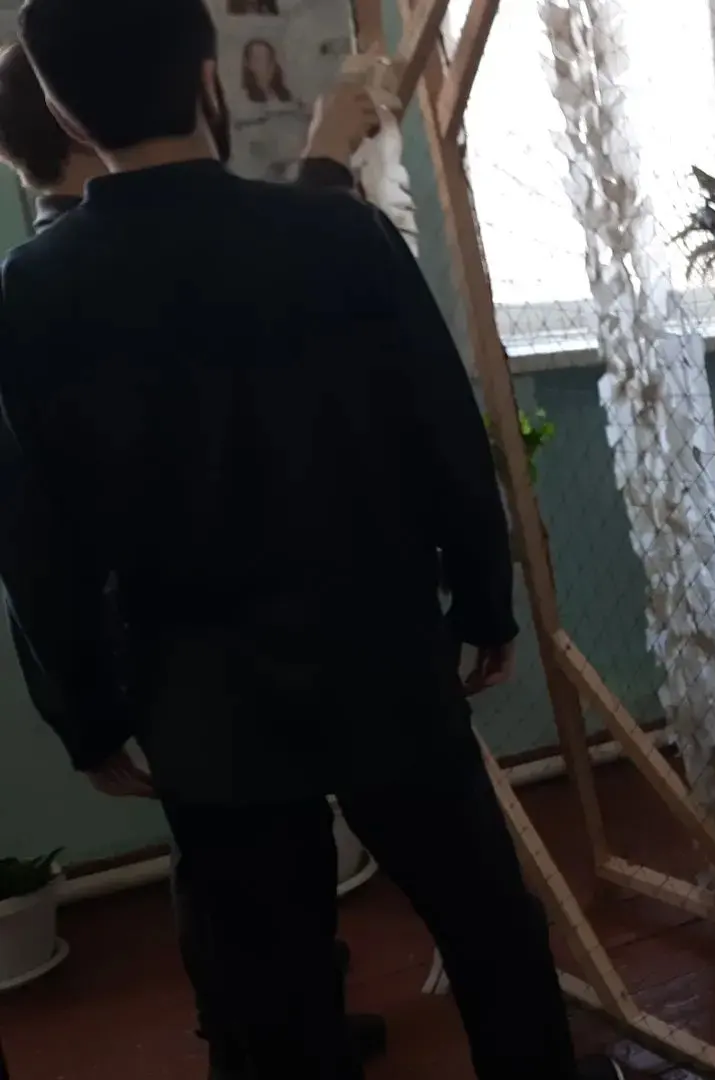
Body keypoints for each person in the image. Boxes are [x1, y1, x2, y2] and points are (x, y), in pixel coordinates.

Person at [0, 0, 622, 1075]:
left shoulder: (33, 291)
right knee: (489, 929)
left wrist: (87, 718)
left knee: (266, 991)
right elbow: (442, 434)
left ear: (61, 112)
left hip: (202, 695)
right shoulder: (340, 236)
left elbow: (38, 539)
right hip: (383, 658)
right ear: (210, 78)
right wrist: (486, 604)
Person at [0, 44, 389, 1078]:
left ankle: (286, 1028)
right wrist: (323, 159)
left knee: (245, 873)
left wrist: (83, 709)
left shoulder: (51, 268)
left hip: (180, 662)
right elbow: (247, 301)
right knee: (247, 887)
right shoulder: (77, 271)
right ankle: (273, 1044)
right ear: (74, 122)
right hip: (212, 647)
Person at [240, 39, 292, 105]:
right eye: (259, 59)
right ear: (248, 64)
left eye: (268, 59)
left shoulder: (284, 96)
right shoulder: (242, 99)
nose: (265, 65)